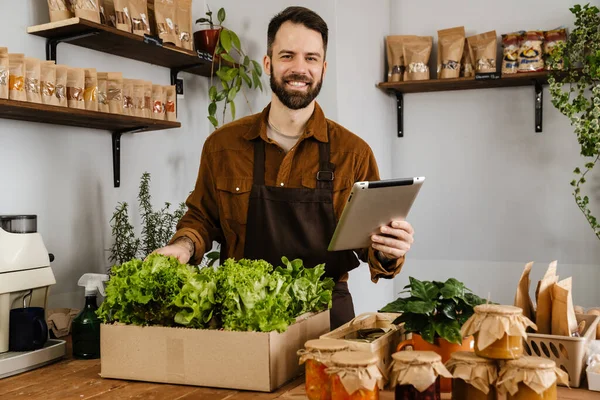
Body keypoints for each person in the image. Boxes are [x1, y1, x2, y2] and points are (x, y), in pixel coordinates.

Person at [154, 6, 414, 329]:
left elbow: (371, 245)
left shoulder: (354, 153)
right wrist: (183, 246)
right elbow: (202, 219)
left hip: (326, 323)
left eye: (311, 58)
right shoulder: (223, 146)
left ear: (323, 68)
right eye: (287, 55)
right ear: (268, 63)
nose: (299, 68)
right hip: (243, 318)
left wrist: (389, 249)